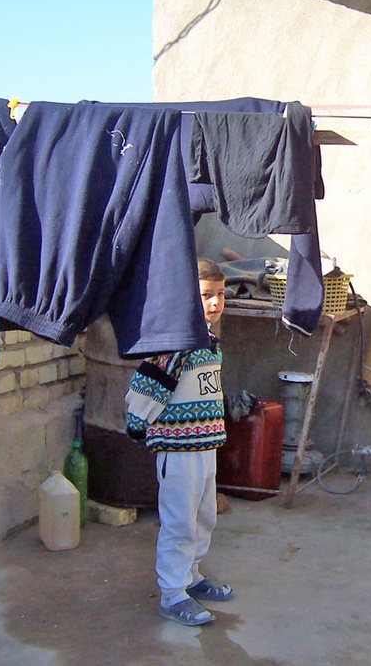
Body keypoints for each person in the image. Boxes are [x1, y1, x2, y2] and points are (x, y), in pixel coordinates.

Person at [125, 257, 234, 626]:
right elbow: (146, 383)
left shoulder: (209, 341)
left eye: (220, 294)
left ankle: (191, 576)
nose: (215, 303)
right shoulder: (175, 343)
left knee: (204, 516)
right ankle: (172, 594)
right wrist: (138, 422)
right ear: (188, 296)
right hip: (178, 449)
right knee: (179, 522)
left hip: (205, 447)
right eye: (206, 295)